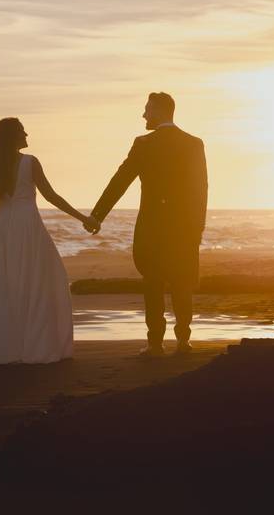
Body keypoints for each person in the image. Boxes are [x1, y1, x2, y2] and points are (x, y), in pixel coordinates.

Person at [0, 117, 98, 366]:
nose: (27, 134)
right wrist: (83, 217)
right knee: (40, 281)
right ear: (14, 136)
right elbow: (51, 196)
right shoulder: (30, 162)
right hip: (27, 225)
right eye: (22, 131)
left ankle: (8, 348)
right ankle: (36, 344)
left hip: (1, 227)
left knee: (6, 287)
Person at [89, 92, 208, 357]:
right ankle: (184, 341)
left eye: (147, 109)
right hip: (183, 227)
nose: (143, 115)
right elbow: (201, 189)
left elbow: (121, 180)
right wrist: (197, 227)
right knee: (182, 283)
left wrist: (98, 215)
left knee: (153, 283)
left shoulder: (143, 144)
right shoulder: (193, 144)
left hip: (152, 226)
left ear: (160, 111)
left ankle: (155, 344)